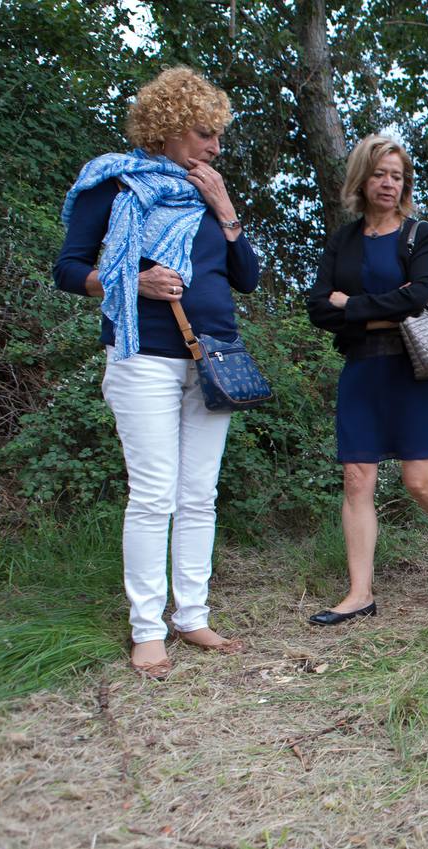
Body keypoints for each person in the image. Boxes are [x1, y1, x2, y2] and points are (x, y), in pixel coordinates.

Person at [53, 67, 257, 678]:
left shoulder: (208, 194)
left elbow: (246, 277)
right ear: (166, 128)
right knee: (154, 496)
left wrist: (225, 208)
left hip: (213, 359)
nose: (214, 147)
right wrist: (130, 281)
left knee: (199, 496)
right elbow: (68, 269)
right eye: (202, 133)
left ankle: (190, 615)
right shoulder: (114, 186)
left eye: (218, 135)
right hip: (143, 357)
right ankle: (147, 629)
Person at [305, 135, 428, 621]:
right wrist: (373, 311)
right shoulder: (341, 240)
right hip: (362, 369)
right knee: (356, 478)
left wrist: (353, 306)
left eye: (398, 175)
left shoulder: (419, 235)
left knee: (420, 481)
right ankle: (360, 594)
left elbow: (420, 295)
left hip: (412, 369)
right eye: (381, 173)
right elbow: (318, 307)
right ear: (362, 177)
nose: (389, 183)